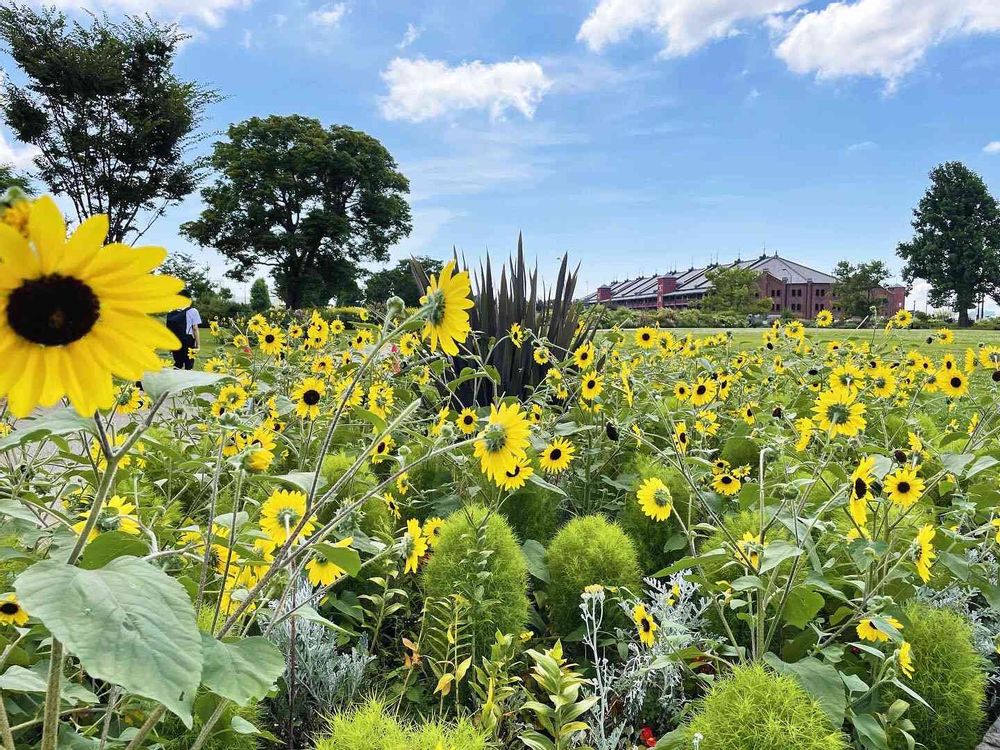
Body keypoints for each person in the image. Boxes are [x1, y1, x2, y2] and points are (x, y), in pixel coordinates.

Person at [166, 289, 202, 370]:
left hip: (175, 340)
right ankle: (187, 382)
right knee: (188, 364)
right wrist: (198, 345)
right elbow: (195, 329)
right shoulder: (193, 311)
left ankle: (175, 381)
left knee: (178, 363)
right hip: (187, 340)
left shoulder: (171, 311)